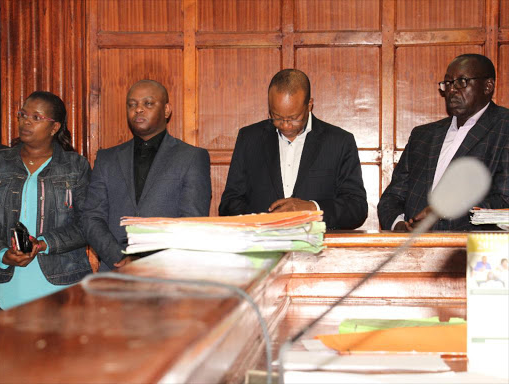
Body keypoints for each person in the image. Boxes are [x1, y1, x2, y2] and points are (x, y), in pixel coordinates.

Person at [82, 80, 211, 271]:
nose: (138, 110)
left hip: (169, 274)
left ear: (167, 110)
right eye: (132, 104)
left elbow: (192, 222)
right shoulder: (106, 158)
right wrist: (120, 258)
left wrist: (149, 264)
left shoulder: (192, 157)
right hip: (115, 272)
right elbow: (91, 217)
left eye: (148, 103)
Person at [219, 69, 368, 229]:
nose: (285, 125)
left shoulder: (339, 141)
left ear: (309, 105)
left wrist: (312, 209)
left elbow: (356, 207)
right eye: (276, 117)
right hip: (263, 246)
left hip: (319, 249)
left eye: (293, 118)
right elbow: (229, 203)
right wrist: (264, 221)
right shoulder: (249, 139)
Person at [378, 54, 509, 231]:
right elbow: (392, 197)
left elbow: (503, 201)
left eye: (462, 81)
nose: (452, 90)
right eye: (447, 83)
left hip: (469, 250)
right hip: (413, 251)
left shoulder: (504, 128)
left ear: (488, 86)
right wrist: (398, 225)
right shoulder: (422, 136)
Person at [0, 91, 92, 310]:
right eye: (23, 114)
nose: (25, 121)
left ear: (55, 127)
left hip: (62, 283)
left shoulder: (75, 166)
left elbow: (87, 224)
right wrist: (3, 254)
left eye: (36, 117)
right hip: (6, 284)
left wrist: (43, 243)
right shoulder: (0, 163)